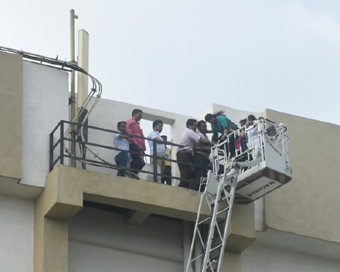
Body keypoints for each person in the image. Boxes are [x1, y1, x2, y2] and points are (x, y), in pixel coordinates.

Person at [177, 119, 210, 189]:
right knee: (185, 173)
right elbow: (201, 140)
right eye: (195, 125)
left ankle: (184, 188)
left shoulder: (191, 131)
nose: (196, 127)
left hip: (186, 154)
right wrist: (212, 143)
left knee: (188, 173)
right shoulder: (190, 132)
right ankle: (181, 190)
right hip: (183, 154)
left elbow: (203, 132)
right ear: (190, 125)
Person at [191, 120, 211, 191]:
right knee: (199, 173)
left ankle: (202, 189)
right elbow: (204, 143)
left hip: (204, 157)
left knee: (204, 175)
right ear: (198, 127)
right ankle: (195, 190)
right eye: (204, 127)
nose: (205, 128)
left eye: (206, 126)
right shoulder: (197, 134)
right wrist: (212, 143)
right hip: (198, 157)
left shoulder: (204, 134)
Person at [126, 109, 146, 174]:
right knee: (135, 163)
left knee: (140, 164)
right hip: (133, 145)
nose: (141, 117)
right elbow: (129, 135)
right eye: (140, 115)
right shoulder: (131, 122)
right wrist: (137, 145)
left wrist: (143, 148)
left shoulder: (137, 124)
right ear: (135, 114)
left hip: (139, 148)